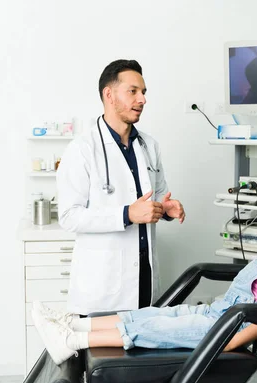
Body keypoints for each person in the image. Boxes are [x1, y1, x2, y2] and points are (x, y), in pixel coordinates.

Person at [32, 196, 257, 365]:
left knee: (153, 328)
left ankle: (72, 341)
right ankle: (73, 322)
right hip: (215, 313)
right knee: (149, 314)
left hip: (221, 327)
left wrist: (226, 342)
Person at [57, 60, 186, 315]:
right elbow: (69, 216)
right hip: (101, 286)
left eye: (144, 92)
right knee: (101, 351)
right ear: (109, 94)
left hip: (143, 280)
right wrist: (127, 214)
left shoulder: (149, 145)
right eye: (133, 91)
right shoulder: (82, 149)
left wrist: (167, 208)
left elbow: (157, 195)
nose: (142, 99)